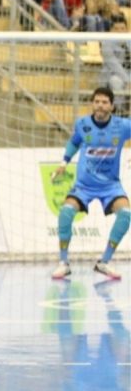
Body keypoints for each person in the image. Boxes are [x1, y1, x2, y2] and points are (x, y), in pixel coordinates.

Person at [50, 87, 131, 280]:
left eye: (104, 102)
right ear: (92, 104)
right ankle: (63, 263)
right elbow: (74, 142)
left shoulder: (123, 126)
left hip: (111, 185)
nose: (100, 105)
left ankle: (104, 262)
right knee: (65, 212)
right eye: (97, 101)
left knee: (126, 214)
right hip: (84, 186)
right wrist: (64, 163)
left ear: (112, 106)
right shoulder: (82, 124)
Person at [99, 14, 131, 115]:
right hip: (113, 75)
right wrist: (128, 80)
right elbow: (113, 64)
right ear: (111, 30)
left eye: (122, 28)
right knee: (116, 82)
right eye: (116, 29)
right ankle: (118, 111)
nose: (120, 31)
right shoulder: (106, 43)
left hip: (129, 74)